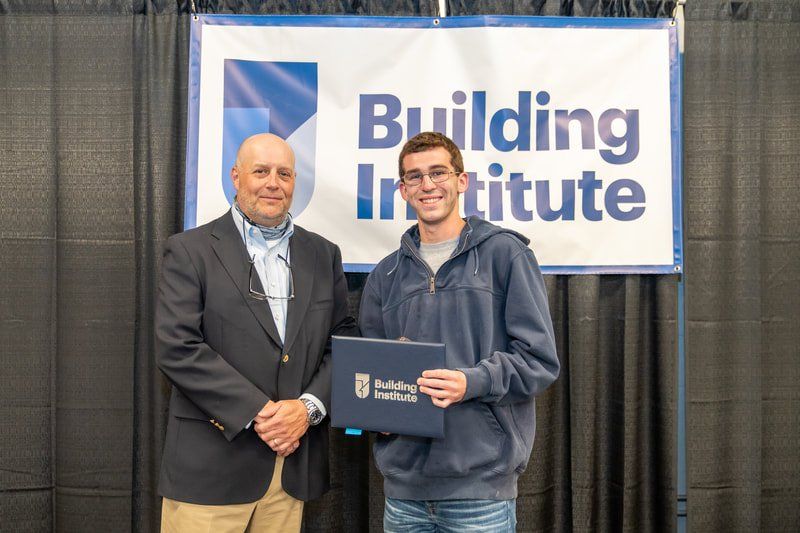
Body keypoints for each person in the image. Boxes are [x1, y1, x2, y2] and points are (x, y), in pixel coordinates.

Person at [359, 132, 560, 532]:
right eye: (414, 177)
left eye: (438, 173)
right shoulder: (386, 274)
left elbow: (539, 360)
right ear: (402, 190)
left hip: (480, 492)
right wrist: (373, 412)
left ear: (461, 181)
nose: (427, 185)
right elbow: (368, 369)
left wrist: (470, 382)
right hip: (403, 495)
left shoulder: (506, 254)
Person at [156, 133, 357, 532]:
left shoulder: (322, 254)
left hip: (290, 473)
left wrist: (308, 408)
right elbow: (177, 347)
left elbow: (343, 340)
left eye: (284, 173)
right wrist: (262, 414)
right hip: (210, 473)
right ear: (235, 176)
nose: (273, 183)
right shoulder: (189, 251)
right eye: (261, 171)